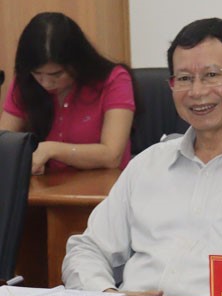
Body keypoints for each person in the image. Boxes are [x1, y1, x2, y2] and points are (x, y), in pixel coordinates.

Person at [62, 18, 222, 296]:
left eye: (211, 75)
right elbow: (85, 250)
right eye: (184, 79)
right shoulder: (147, 165)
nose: (197, 92)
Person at [0, 12, 135, 175]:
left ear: (78, 62)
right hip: (46, 188)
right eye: (37, 73)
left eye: (56, 74)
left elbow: (112, 156)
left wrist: (51, 149)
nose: (46, 83)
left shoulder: (114, 80)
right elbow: (4, 143)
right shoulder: (25, 82)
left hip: (106, 186)